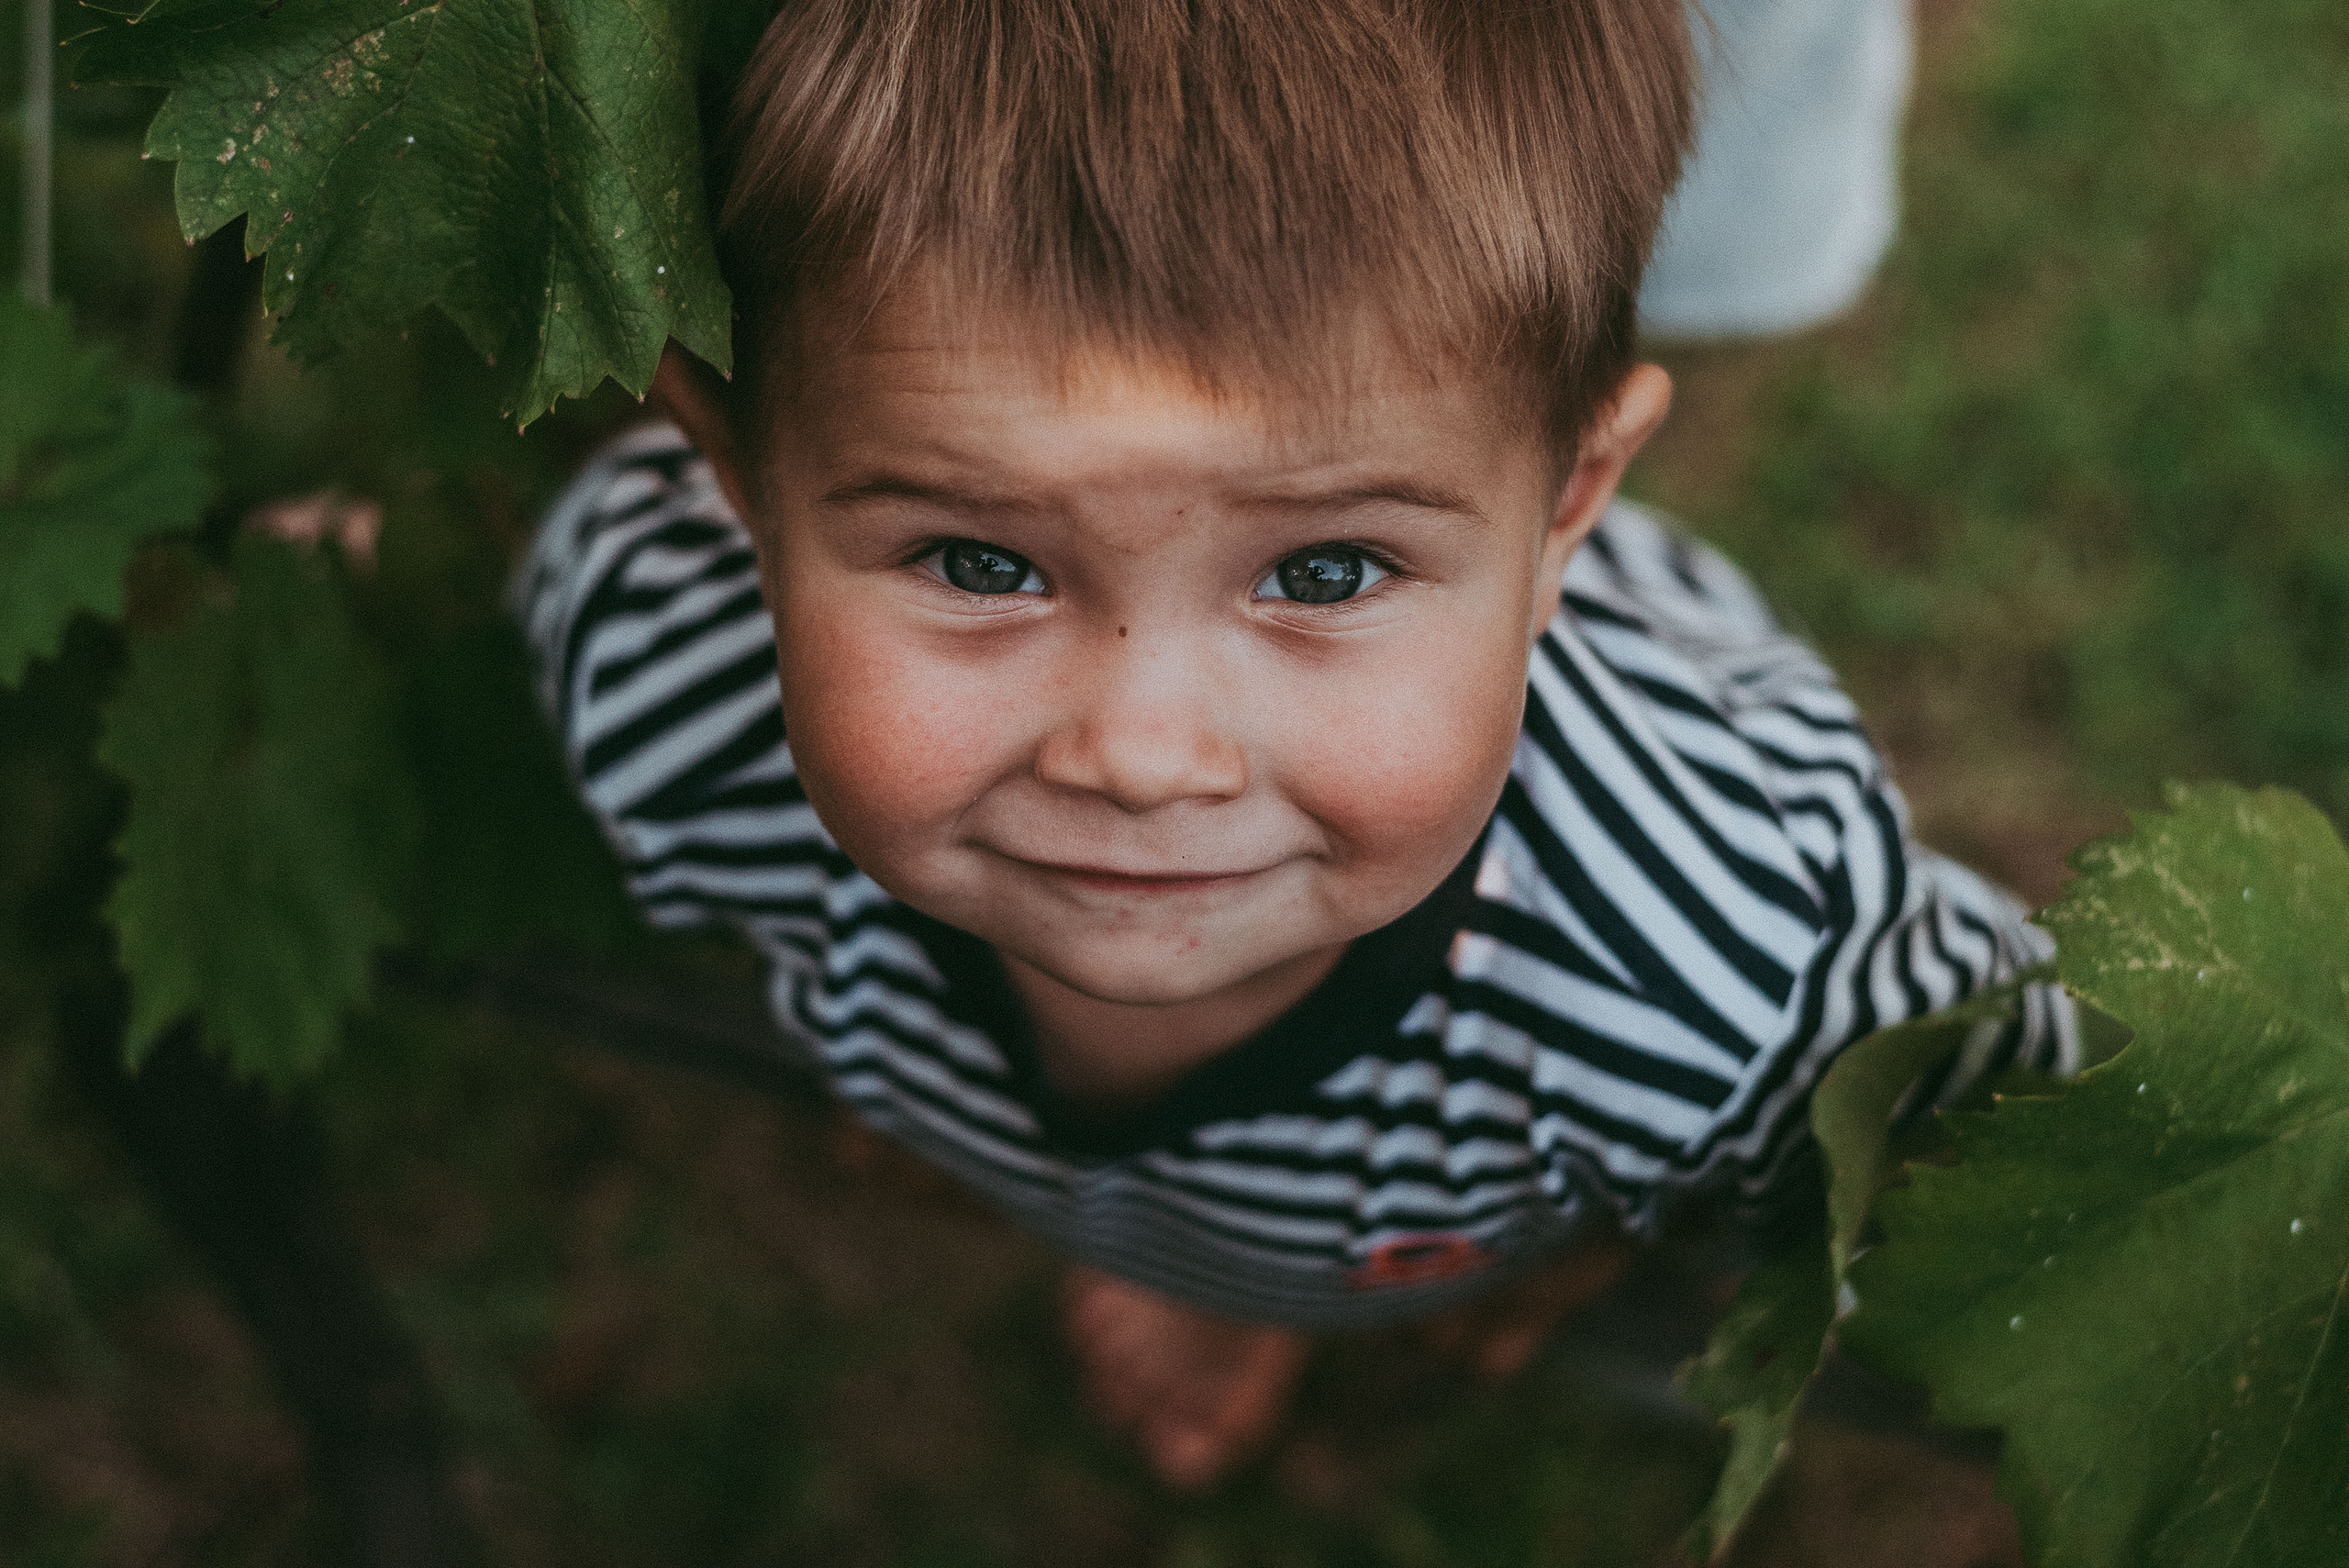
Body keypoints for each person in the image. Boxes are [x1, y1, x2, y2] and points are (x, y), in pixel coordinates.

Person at [517, 0, 2071, 1492]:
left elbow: (2036, 1143)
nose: (1139, 752)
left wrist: (1609, 1235)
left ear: (1564, 514)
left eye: (1324, 571)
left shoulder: (1717, 973)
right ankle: (1093, 1183)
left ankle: (1241, 1272)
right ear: (737, 480)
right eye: (978, 563)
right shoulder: (661, 685)